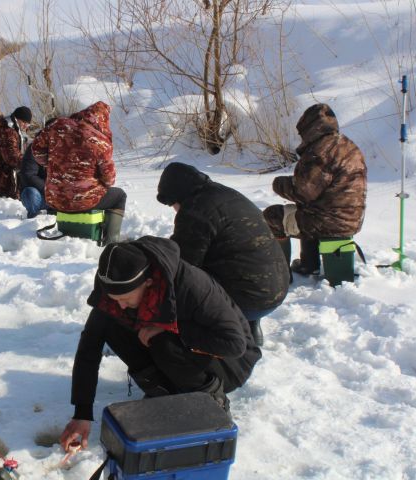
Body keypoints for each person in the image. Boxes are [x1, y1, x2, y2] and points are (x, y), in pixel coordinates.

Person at [59, 237, 261, 452]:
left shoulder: (190, 284)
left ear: (148, 282)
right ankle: (163, 392)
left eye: (126, 298)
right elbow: (89, 348)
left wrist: (171, 328)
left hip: (228, 365)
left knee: (163, 340)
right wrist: (82, 413)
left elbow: (234, 344)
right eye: (114, 298)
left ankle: (210, 399)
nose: (120, 304)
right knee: (111, 325)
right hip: (182, 359)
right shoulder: (114, 294)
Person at [156, 162, 290, 346]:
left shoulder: (195, 210)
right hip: (277, 289)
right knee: (234, 262)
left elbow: (184, 265)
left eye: (172, 203)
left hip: (248, 301)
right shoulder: (225, 193)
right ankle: (249, 326)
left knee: (184, 288)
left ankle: (218, 335)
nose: (174, 209)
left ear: (177, 195)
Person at [263, 103, 367, 276]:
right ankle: (308, 265)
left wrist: (278, 183)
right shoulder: (348, 146)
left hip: (330, 222)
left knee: (272, 216)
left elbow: (303, 191)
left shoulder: (321, 151)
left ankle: (280, 275)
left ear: (311, 128)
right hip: (351, 219)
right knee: (306, 211)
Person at [32, 101, 126, 243]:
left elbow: (36, 150)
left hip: (55, 198)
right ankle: (111, 241)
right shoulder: (100, 141)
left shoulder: (57, 125)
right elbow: (109, 179)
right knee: (119, 196)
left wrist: (53, 165)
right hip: (83, 201)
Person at [18, 118, 56, 218]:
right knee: (29, 193)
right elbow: (28, 175)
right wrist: (49, 189)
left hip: (59, 196)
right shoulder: (34, 148)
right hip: (42, 194)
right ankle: (35, 217)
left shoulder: (67, 148)